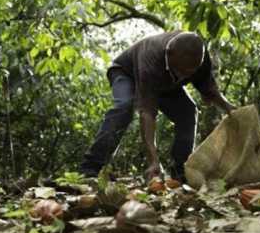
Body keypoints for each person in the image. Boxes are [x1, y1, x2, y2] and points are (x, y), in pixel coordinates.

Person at [80, 31, 235, 182]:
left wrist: (229, 108)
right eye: (180, 71)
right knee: (124, 107)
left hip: (165, 84)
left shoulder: (199, 55)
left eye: (190, 73)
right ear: (169, 54)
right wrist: (153, 160)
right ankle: (91, 168)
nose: (184, 77)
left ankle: (180, 171)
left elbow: (209, 89)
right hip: (126, 73)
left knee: (188, 112)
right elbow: (147, 114)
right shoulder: (151, 58)